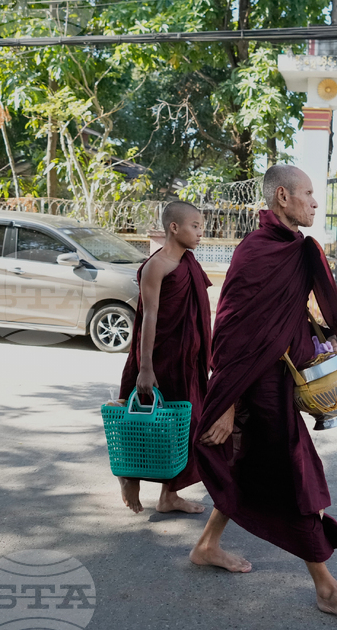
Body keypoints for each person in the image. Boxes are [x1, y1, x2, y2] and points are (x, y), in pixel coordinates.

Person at [189, 165, 337, 618]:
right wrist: (230, 404)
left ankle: (207, 543)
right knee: (295, 478)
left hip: (279, 378)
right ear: (282, 197)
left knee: (251, 469)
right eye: (308, 194)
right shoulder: (255, 252)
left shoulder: (295, 248)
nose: (316, 202)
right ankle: (326, 588)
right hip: (254, 386)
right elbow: (232, 331)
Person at [116, 201, 212, 515]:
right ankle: (129, 476)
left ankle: (169, 496)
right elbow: (149, 317)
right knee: (144, 423)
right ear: (174, 227)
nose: (201, 232)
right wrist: (145, 368)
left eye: (201, 226)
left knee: (183, 427)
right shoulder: (156, 266)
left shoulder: (189, 262)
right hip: (158, 359)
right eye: (195, 226)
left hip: (187, 361)